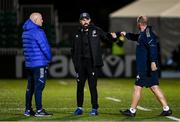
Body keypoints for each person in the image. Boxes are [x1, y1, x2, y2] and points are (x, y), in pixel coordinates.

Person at [112, 16, 172, 117]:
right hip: (147, 66)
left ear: (139, 24)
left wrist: (153, 62)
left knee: (137, 87)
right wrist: (125, 34)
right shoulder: (144, 34)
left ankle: (132, 110)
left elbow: (153, 48)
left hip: (146, 67)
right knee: (154, 87)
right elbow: (136, 37)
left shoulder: (148, 34)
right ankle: (166, 109)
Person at [71, 12, 114, 116]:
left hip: (92, 63)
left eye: (87, 19)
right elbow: (73, 50)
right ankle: (79, 108)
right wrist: (76, 64)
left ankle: (94, 108)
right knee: (79, 86)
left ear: (89, 20)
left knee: (92, 86)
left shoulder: (96, 30)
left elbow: (107, 37)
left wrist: (113, 37)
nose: (85, 21)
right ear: (80, 21)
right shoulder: (77, 33)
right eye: (83, 19)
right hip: (81, 64)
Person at [22, 12, 52, 117]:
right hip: (39, 64)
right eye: (41, 19)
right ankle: (39, 110)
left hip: (30, 64)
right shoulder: (38, 32)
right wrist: (49, 58)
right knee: (39, 87)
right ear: (35, 20)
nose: (42, 20)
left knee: (30, 87)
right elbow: (45, 47)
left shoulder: (25, 32)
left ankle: (28, 109)